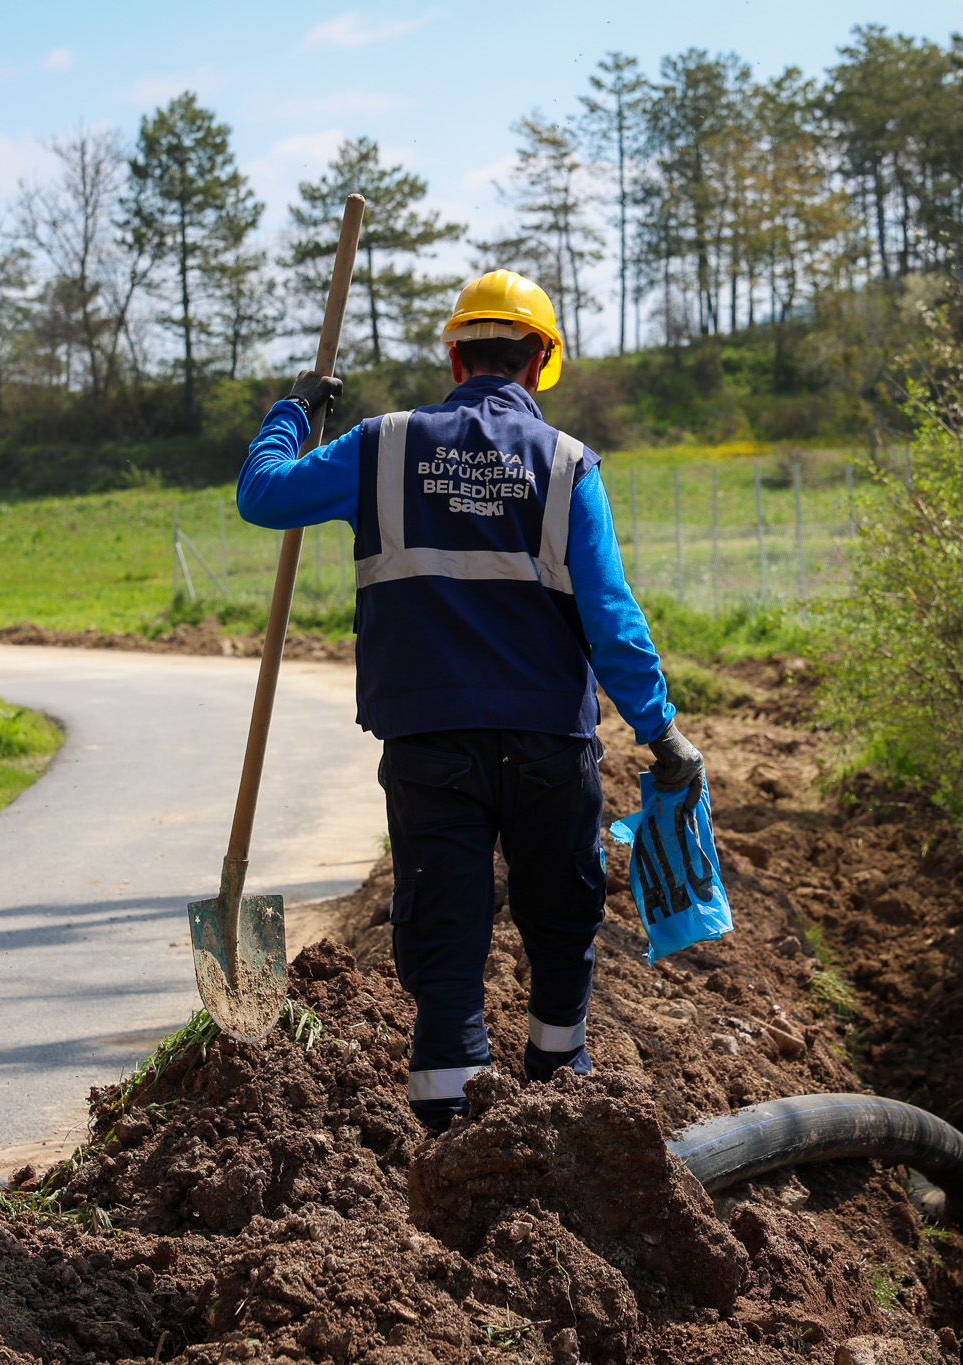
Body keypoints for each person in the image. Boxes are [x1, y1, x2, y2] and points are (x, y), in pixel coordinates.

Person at [236, 270, 703, 1133]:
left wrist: (294, 411)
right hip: (549, 744)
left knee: (445, 940)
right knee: (560, 921)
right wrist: (661, 729)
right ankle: (563, 1094)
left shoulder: (380, 447)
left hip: (430, 744)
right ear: (541, 361)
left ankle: (449, 1140)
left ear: (455, 359)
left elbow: (261, 494)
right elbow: (611, 617)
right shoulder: (566, 464)